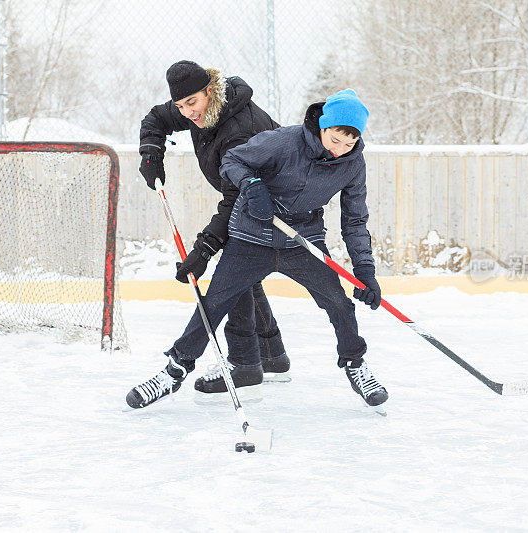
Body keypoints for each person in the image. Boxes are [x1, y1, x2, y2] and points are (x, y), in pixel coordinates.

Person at [126, 89, 388, 410]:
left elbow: (355, 220)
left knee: (338, 302)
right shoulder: (285, 141)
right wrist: (252, 187)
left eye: (349, 144)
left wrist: (365, 271)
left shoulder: (351, 164)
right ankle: (174, 371)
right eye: (335, 140)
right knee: (213, 305)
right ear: (323, 125)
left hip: (301, 241)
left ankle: (355, 364)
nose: (340, 150)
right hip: (251, 236)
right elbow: (232, 160)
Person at [138, 60, 290, 394]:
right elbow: (156, 118)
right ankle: (270, 354)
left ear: (210, 90)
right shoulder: (200, 106)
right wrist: (151, 151)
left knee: (232, 270)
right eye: (181, 105)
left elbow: (237, 199)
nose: (187, 112)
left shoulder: (238, 131)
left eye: (191, 102)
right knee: (242, 270)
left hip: (275, 202)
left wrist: (205, 248)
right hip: (247, 195)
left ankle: (245, 364)